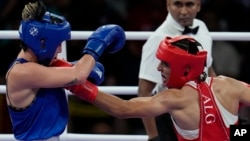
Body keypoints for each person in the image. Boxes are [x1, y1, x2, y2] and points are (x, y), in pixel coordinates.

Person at [59, 35, 246, 141]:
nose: (158, 69)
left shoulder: (174, 99)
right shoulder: (229, 84)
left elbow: (123, 109)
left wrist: (79, 85)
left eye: (165, 64)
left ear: (185, 68)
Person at [5, 0, 125, 140]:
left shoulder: (41, 67)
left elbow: (77, 72)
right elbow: (79, 75)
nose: (61, 49)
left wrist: (78, 66)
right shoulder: (23, 72)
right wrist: (97, 44)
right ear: (43, 43)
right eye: (58, 44)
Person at [138, 0, 216, 140]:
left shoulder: (202, 27)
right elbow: (144, 91)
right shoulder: (158, 38)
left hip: (202, 111)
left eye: (189, 4)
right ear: (168, 5)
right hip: (171, 115)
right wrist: (154, 136)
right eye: (178, 4)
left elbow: (208, 69)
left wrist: (218, 101)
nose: (184, 12)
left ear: (198, 5)